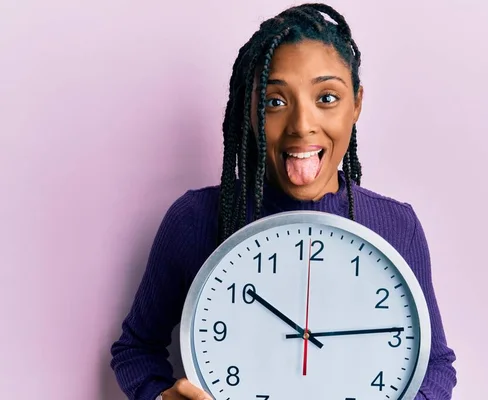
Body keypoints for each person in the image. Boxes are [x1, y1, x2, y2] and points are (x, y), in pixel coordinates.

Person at [110, 3, 457, 399]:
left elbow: (434, 363)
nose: (301, 125)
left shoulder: (396, 225)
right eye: (275, 102)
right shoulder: (195, 219)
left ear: (356, 104)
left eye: (327, 97)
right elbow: (136, 349)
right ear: (249, 110)